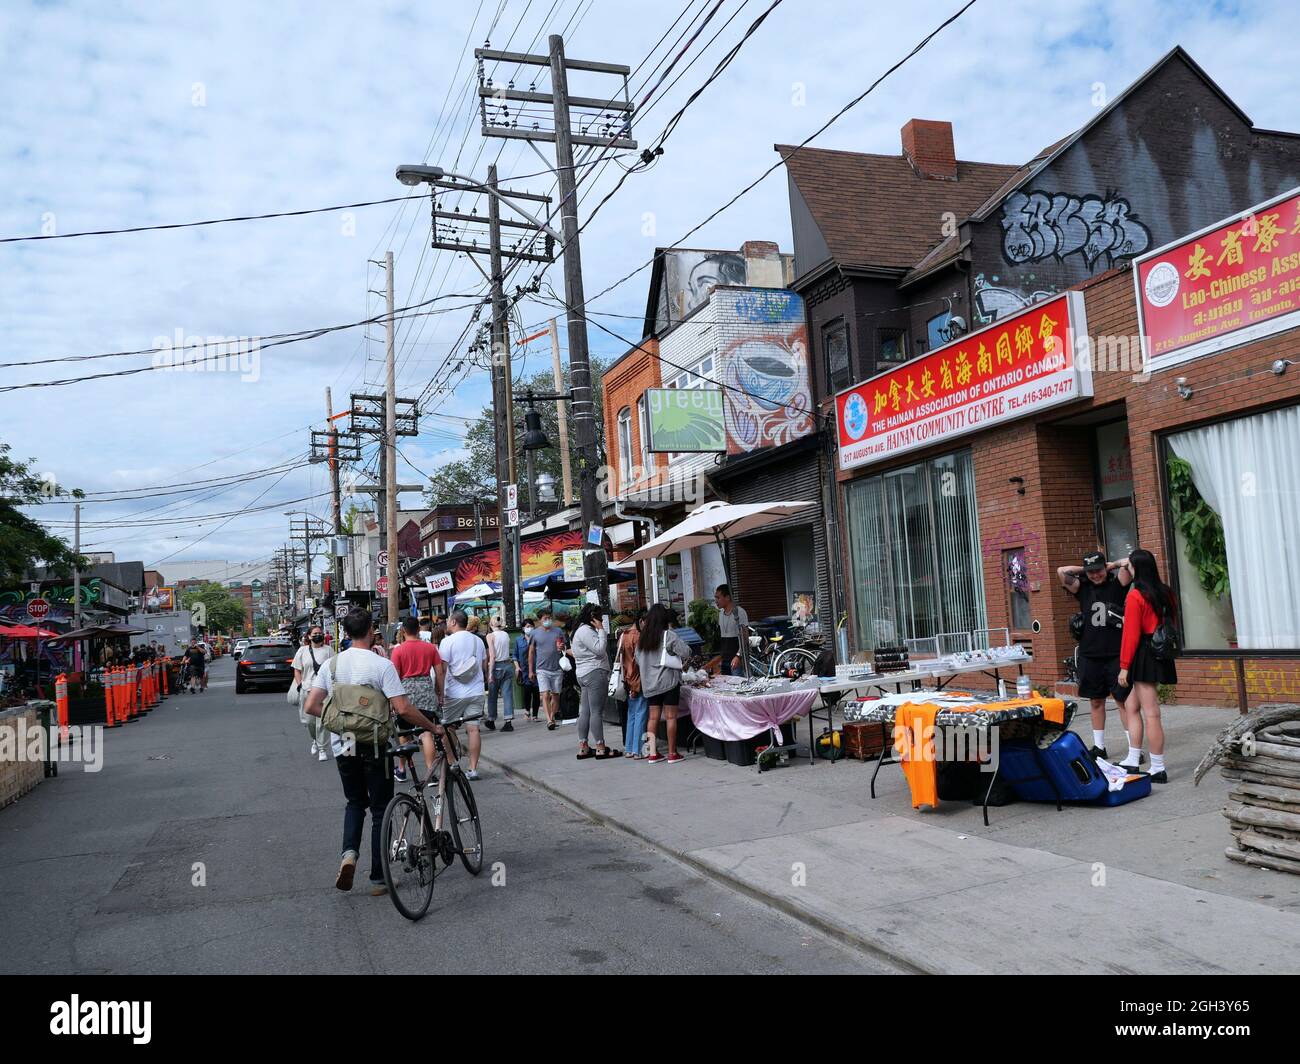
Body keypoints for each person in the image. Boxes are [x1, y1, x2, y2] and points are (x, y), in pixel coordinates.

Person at [303, 609, 428, 895]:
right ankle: (378, 877)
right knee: (381, 809)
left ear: (345, 633)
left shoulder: (332, 666)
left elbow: (311, 706)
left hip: (344, 742)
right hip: (375, 742)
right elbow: (403, 708)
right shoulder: (381, 665)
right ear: (371, 630)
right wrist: (431, 727)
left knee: (354, 802)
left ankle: (349, 854)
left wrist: (340, 719)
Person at [1057, 551, 1131, 759]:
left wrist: (1110, 565)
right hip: (1090, 654)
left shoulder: (1117, 584)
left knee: (1123, 701)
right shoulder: (1082, 588)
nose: (1095, 575)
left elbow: (1131, 563)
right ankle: (1099, 747)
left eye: (1098, 571)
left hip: (1116, 652)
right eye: (1091, 572)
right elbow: (1061, 571)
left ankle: (1134, 747)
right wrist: (1086, 570)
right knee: (1095, 701)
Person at [1117, 549, 1177, 783]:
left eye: (1130, 567)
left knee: (1151, 713)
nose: (1128, 570)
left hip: (1143, 652)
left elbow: (1131, 635)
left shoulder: (1135, 595)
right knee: (1131, 705)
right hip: (1160, 650)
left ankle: (1158, 767)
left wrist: (1124, 667)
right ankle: (1133, 758)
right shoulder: (1166, 593)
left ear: (1137, 569)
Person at [389, 615, 444, 780]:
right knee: (426, 731)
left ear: (403, 631)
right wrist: (439, 692)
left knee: (405, 733)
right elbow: (439, 672)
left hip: (407, 691)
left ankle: (401, 769)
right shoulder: (430, 648)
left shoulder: (398, 650)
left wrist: (393, 700)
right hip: (426, 689)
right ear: (419, 629)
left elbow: (395, 676)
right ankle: (430, 771)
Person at [636, 603, 691, 764]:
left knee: (653, 718)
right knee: (671, 717)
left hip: (650, 684)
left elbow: (638, 660)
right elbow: (686, 652)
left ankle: (653, 753)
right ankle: (673, 753)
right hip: (668, 683)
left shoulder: (643, 639)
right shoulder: (669, 635)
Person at [438, 611, 487, 780]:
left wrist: (440, 692)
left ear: (453, 622)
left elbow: (442, 670)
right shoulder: (478, 641)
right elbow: (484, 664)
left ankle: (453, 763)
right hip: (476, 691)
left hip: (454, 693)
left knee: (447, 728)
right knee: (473, 729)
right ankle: (473, 768)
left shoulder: (447, 642)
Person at [571, 604, 617, 759]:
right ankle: (600, 746)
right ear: (593, 617)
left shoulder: (579, 630)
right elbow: (599, 649)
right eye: (600, 616)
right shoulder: (586, 631)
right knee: (596, 712)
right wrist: (601, 631)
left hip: (584, 674)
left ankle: (583, 746)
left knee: (585, 711)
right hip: (594, 673)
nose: (601, 619)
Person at [292, 624, 335, 762]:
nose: (318, 635)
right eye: (315, 633)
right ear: (309, 636)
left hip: (323, 690)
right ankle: (315, 741)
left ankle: (322, 748)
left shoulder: (329, 650)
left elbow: (334, 668)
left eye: (320, 633)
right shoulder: (302, 651)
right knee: (308, 721)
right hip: (307, 689)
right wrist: (299, 685)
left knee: (322, 720)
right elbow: (297, 669)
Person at [527, 608, 567, 731]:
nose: (548, 620)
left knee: (556, 695)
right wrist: (530, 670)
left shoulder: (558, 631)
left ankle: (552, 717)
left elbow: (564, 645)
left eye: (549, 618)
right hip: (541, 669)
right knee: (545, 694)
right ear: (540, 620)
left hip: (556, 668)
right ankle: (549, 720)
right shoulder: (534, 633)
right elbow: (531, 652)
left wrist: (562, 646)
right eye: (545, 618)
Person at [619, 614, 647, 758]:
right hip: (637, 678)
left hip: (626, 679)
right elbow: (638, 663)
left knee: (632, 715)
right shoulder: (638, 637)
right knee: (641, 714)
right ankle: (638, 749)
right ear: (640, 621)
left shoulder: (623, 636)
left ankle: (629, 748)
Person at [485, 615, 515, 733]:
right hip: (507, 665)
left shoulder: (490, 636)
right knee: (507, 694)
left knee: (492, 695)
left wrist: (490, 673)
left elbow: (492, 655)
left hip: (496, 666)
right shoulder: (506, 635)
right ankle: (508, 721)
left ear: (491, 625)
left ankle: (491, 720)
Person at [714, 584, 749, 676]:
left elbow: (745, 637)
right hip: (725, 658)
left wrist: (738, 656)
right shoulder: (720, 613)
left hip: (736, 659)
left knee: (737, 686)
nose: (716, 601)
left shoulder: (739, 612)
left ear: (727, 597)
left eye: (718, 597)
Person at [514, 618, 539, 720]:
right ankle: (527, 711)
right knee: (527, 691)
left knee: (536, 691)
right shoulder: (518, 640)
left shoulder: (537, 639)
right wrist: (517, 667)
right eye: (527, 627)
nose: (530, 628)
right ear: (523, 628)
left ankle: (535, 715)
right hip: (524, 669)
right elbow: (515, 655)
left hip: (537, 668)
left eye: (531, 626)